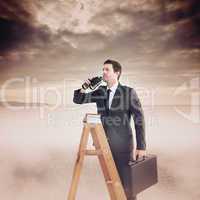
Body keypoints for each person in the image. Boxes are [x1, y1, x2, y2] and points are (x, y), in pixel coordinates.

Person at [73, 59, 147, 200]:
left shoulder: (128, 92)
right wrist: (85, 86)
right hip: (104, 145)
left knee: (127, 185)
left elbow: (139, 120)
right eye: (103, 70)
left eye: (107, 69)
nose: (103, 72)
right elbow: (78, 99)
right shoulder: (100, 91)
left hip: (123, 146)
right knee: (112, 183)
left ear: (117, 73)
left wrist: (141, 146)